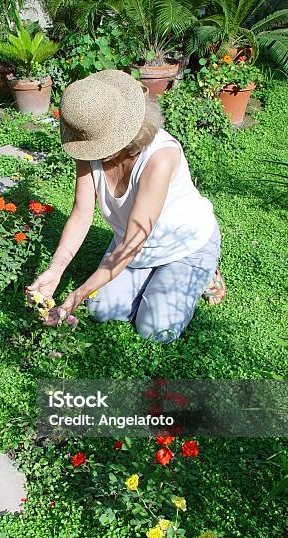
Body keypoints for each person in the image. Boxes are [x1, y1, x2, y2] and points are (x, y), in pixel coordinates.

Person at [27, 69, 226, 343]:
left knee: (155, 331)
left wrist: (77, 295)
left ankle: (204, 272)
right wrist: (56, 269)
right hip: (132, 248)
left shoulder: (160, 158)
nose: (90, 150)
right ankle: (153, 281)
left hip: (184, 247)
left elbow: (133, 243)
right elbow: (81, 213)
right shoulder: (89, 145)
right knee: (100, 310)